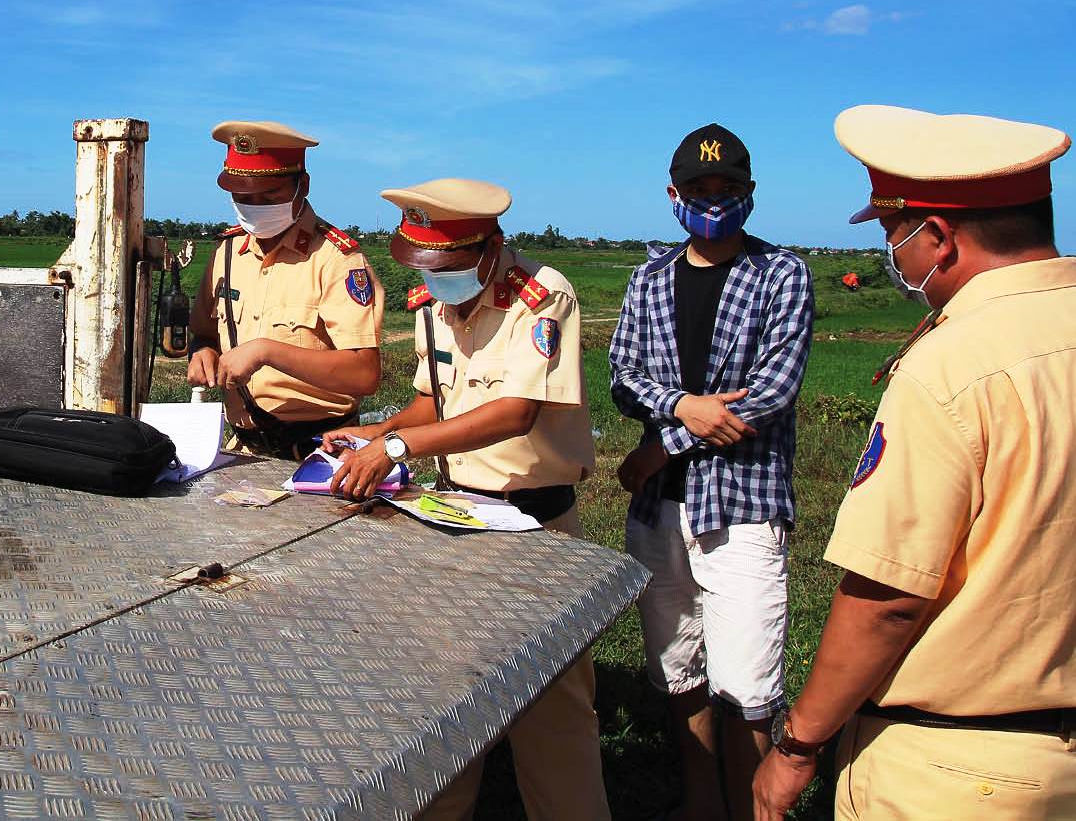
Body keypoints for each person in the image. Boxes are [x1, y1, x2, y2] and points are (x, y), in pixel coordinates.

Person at [754, 105, 1075, 820]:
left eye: (893, 237)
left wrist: (799, 744)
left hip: (958, 768)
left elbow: (889, 600)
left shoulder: (951, 365)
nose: (892, 259)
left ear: (936, 238)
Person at [322, 179, 606, 821]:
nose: (437, 278)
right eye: (427, 266)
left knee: (553, 711)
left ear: (491, 248)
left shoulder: (543, 295)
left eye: (449, 265)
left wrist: (398, 452)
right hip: (453, 518)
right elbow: (434, 401)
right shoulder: (433, 303)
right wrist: (376, 431)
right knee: (445, 702)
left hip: (536, 528)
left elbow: (515, 412)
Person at [609, 123, 814, 821]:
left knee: (749, 687)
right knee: (679, 670)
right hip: (659, 510)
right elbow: (622, 376)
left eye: (728, 189)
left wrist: (661, 445)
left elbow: (769, 395)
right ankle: (703, 804)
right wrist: (686, 409)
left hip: (742, 505)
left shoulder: (781, 274)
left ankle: (755, 808)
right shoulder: (650, 277)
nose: (714, 200)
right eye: (700, 189)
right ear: (675, 195)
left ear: (750, 195)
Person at [186, 121, 384, 460]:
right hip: (242, 451)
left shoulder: (337, 260)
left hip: (318, 453)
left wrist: (267, 351)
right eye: (243, 196)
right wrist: (202, 351)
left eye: (269, 195)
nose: (255, 206)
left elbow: (364, 374)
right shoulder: (227, 253)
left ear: (302, 185)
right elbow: (204, 333)